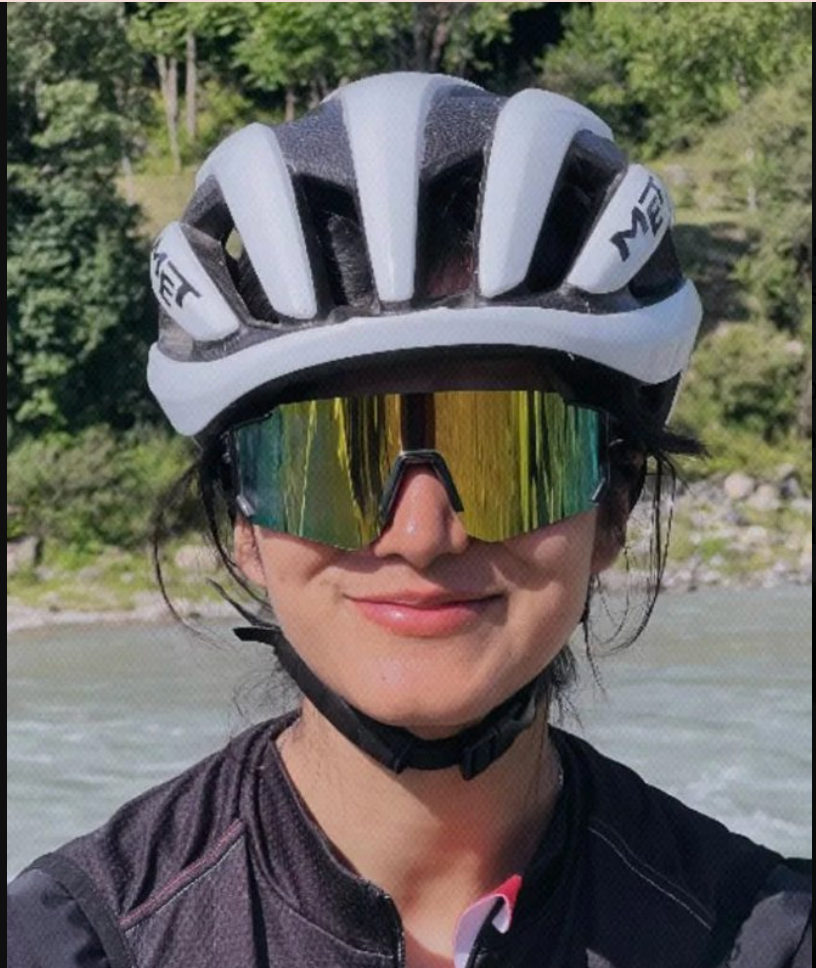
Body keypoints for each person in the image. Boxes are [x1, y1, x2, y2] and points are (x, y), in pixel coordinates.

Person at [7, 72, 811, 968]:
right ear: (242, 520)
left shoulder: (767, 942)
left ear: (614, 505)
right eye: (333, 464)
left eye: (509, 455)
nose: (422, 535)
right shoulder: (66, 947)